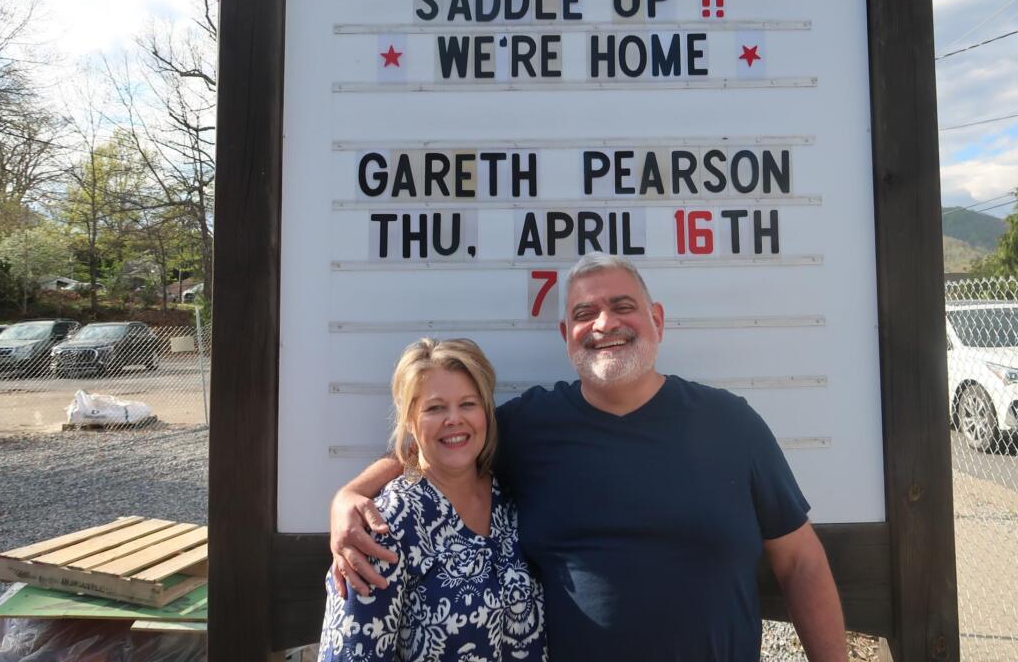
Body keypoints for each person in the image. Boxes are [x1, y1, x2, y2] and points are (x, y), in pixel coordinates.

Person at [330, 254, 847, 661]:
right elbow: (445, 444)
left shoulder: (732, 424)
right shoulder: (531, 426)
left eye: (623, 306)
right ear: (566, 335)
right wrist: (351, 494)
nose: (605, 323)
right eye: (584, 313)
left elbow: (800, 561)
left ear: (656, 320)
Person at [318, 338, 547, 662]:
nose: (454, 419)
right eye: (435, 408)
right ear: (410, 419)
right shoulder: (384, 525)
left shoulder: (510, 501)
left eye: (468, 404)